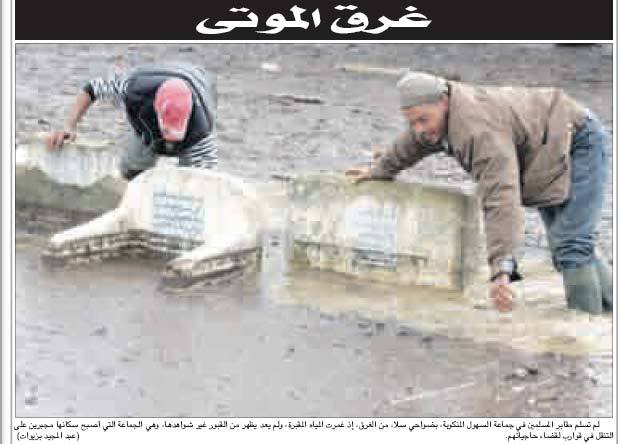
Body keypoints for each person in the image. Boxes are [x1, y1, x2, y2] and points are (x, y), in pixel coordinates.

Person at [347, 71, 612, 314]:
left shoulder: (477, 132)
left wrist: (501, 271)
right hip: (543, 147)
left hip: (577, 141)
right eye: (412, 121)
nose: (420, 128)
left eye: (423, 120)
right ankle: (609, 315)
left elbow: (501, 198)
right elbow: (411, 144)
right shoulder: (437, 115)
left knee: (572, 245)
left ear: (444, 101)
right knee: (567, 244)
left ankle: (583, 336)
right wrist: (379, 171)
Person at [45, 63, 218, 180]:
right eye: (167, 131)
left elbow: (206, 184)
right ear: (156, 109)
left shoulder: (201, 130)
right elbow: (92, 89)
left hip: (198, 80)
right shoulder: (133, 89)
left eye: (176, 132)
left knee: (194, 178)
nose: (170, 139)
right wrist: (68, 126)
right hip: (149, 103)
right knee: (131, 170)